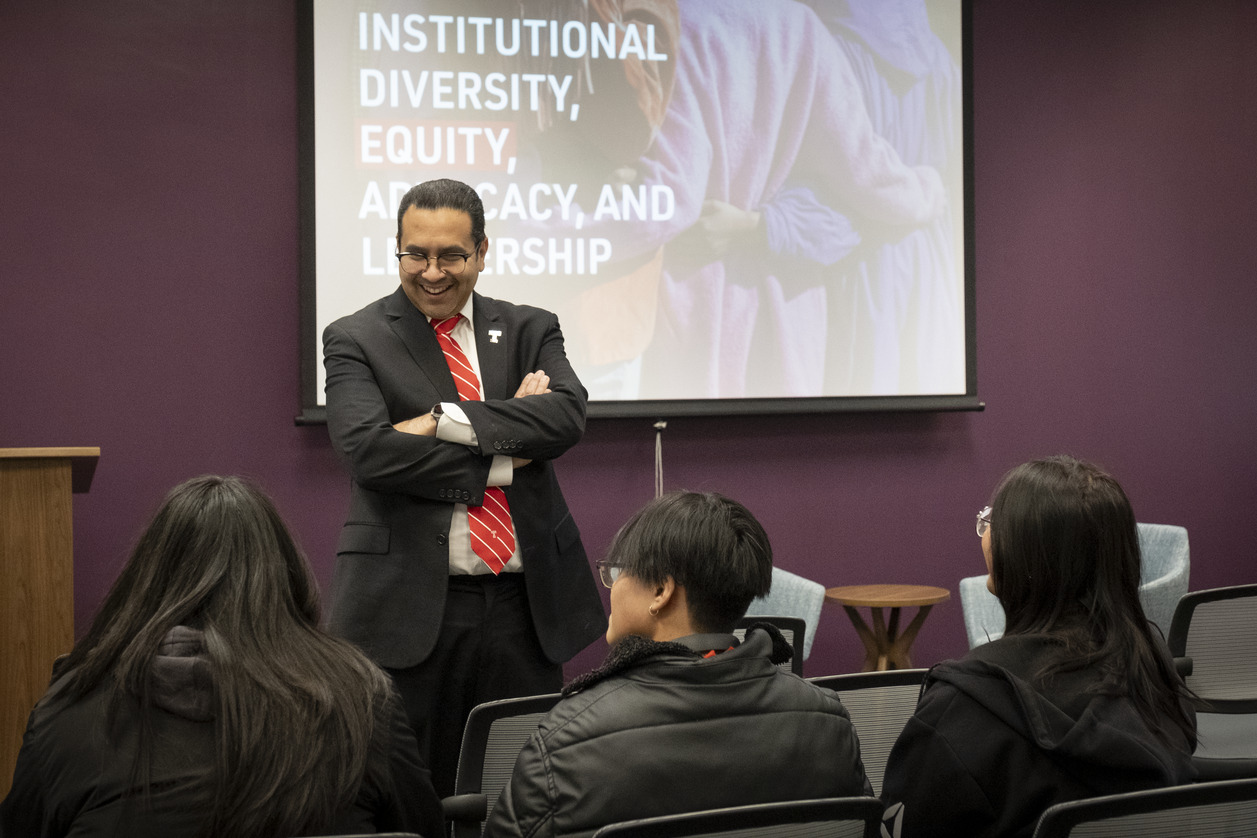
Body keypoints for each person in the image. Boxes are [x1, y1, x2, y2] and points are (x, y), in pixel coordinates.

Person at [322, 177, 607, 797]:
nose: (430, 272)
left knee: (522, 787)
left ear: (481, 250)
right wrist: (508, 451)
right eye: (414, 255)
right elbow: (368, 453)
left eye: (450, 255)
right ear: (396, 250)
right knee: (412, 791)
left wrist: (443, 421)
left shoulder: (531, 327)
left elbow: (564, 419)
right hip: (411, 606)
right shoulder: (355, 338)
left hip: (523, 609)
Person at [0, 475, 443, 838]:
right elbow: (422, 828)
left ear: (147, 580)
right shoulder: (363, 702)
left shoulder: (67, 711)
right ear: (283, 576)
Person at [484, 491, 871, 838]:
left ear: (660, 590)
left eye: (617, 572)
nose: (612, 587)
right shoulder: (829, 721)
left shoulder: (564, 741)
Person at [879, 456, 1197, 838]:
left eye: (993, 522)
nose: (985, 532)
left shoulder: (957, 713)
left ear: (1021, 557)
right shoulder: (1156, 676)